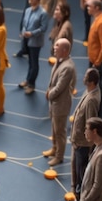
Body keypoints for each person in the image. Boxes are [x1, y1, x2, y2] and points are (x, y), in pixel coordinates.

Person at [43, 38, 76, 166]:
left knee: (60, 131)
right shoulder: (60, 61)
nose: (54, 48)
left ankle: (59, 156)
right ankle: (54, 148)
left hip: (61, 104)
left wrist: (49, 94)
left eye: (57, 46)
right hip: (55, 102)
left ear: (65, 50)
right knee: (54, 128)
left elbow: (60, 87)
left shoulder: (67, 67)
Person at [70, 68, 101, 198]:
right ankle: (76, 186)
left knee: (81, 168)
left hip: (82, 143)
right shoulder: (90, 91)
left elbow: (90, 123)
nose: (83, 78)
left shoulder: (92, 100)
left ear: (91, 82)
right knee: (76, 165)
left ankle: (80, 191)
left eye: (86, 77)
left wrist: (85, 143)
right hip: (78, 140)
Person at [18, 0, 48, 94]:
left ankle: (32, 84)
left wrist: (32, 33)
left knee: (34, 63)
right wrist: (23, 33)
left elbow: (43, 28)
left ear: (38, 0)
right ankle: (28, 79)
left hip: (35, 41)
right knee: (30, 61)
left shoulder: (43, 13)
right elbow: (24, 24)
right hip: (27, 39)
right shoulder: (27, 10)